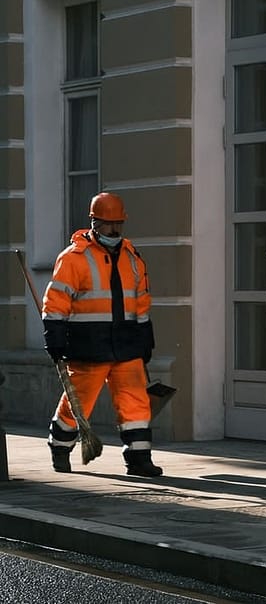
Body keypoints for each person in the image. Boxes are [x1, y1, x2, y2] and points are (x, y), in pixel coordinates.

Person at [43, 192, 162, 477]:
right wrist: (55, 335)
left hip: (127, 342)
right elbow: (57, 300)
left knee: (135, 401)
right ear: (94, 221)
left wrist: (145, 336)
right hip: (89, 343)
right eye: (108, 224)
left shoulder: (132, 257)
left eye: (118, 223)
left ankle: (139, 458)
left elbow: (141, 300)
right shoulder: (74, 258)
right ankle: (60, 448)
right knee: (78, 400)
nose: (114, 230)